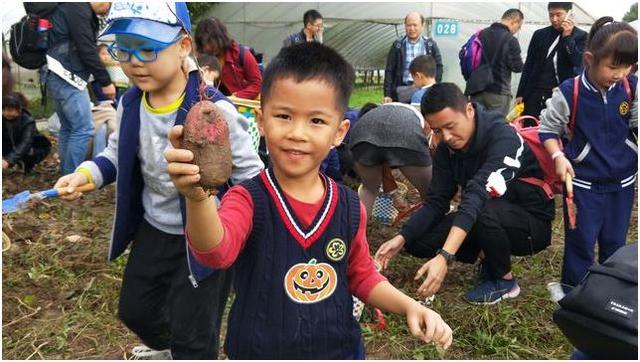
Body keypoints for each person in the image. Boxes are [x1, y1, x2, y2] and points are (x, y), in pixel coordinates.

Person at [165, 42, 453, 359]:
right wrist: (198, 198)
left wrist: (409, 306)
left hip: (338, 350)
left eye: (316, 121)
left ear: (340, 132)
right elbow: (214, 253)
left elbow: (361, 274)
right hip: (259, 349)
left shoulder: (348, 205)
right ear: (261, 122)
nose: (298, 133)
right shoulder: (248, 199)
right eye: (284, 116)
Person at [52, 2, 264, 359]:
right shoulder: (131, 104)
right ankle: (172, 348)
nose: (134, 61)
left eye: (148, 48)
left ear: (183, 46)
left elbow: (252, 175)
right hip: (154, 228)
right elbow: (116, 155)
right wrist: (86, 173)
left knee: (195, 333)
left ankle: (190, 351)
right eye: (124, 49)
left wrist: (249, 228)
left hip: (204, 234)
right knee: (136, 310)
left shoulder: (214, 110)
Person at [375, 83, 555, 305]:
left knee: (481, 207)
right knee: (418, 241)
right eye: (438, 130)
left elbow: (478, 194)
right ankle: (487, 254)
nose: (447, 137)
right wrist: (402, 237)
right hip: (484, 214)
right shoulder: (446, 151)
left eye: (451, 126)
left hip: (529, 224)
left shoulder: (503, 138)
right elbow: (436, 202)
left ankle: (505, 281)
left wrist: (444, 256)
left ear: (469, 110)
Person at [538, 17, 637, 289]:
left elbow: (637, 125)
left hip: (622, 183)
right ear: (590, 59)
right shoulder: (571, 91)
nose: (620, 74)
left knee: (616, 243)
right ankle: (573, 293)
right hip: (583, 183)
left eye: (627, 67)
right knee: (581, 240)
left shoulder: (631, 87)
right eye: (613, 67)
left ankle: (608, 293)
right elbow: (548, 129)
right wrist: (559, 157)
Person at [45, 2, 115, 175]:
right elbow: (87, 48)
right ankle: (70, 178)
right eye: (110, 3)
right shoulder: (77, 8)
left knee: (69, 127)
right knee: (84, 128)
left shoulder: (67, 7)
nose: (108, 9)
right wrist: (105, 81)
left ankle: (65, 174)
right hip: (67, 75)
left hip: (53, 72)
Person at [350, 102, 432, 216]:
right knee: (430, 192)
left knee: (368, 189)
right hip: (406, 133)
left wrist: (392, 191)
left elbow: (383, 160)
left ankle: (355, 231)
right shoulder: (419, 117)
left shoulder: (380, 115)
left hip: (360, 134)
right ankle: (434, 225)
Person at [516, 2, 587, 119]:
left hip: (560, 93)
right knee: (530, 128)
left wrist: (568, 37)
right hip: (535, 92)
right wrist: (520, 93)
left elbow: (578, 62)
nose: (554, 19)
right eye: (551, 15)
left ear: (569, 14)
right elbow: (529, 65)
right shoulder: (539, 35)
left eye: (559, 15)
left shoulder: (581, 36)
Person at [470, 9, 524, 116]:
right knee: (495, 128)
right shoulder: (510, 40)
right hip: (498, 93)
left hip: (476, 90)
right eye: (519, 27)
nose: (517, 30)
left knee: (476, 126)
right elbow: (517, 67)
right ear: (514, 22)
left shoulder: (480, 34)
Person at [194, 17, 262, 99]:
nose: (207, 47)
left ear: (219, 38)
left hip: (241, 106)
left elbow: (257, 84)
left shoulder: (241, 54)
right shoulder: (203, 61)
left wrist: (236, 96)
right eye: (203, 44)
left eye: (209, 42)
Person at [384, 11, 443, 104]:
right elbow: (389, 70)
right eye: (409, 25)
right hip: (402, 90)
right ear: (405, 26)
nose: (412, 28)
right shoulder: (398, 45)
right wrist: (387, 94)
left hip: (424, 89)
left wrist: (434, 88)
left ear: (422, 26)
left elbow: (438, 66)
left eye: (415, 25)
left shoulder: (430, 45)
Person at [3, 93, 51, 174]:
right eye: (3, 109)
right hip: (11, 145)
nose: (6, 113)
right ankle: (15, 163)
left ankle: (28, 166)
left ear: (19, 109)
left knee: (29, 152)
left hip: (35, 147)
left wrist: (8, 160)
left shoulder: (28, 121)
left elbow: (25, 143)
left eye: (10, 110)